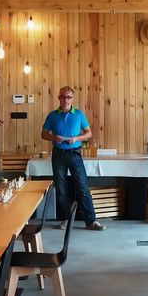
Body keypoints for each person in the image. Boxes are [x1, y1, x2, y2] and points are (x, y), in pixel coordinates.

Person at [41, 86, 106, 230]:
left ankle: (91, 221)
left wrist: (77, 138)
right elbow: (43, 134)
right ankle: (66, 219)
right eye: (63, 97)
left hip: (75, 154)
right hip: (58, 154)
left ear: (72, 99)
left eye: (69, 97)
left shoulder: (79, 114)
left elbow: (88, 133)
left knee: (83, 187)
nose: (66, 100)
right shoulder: (52, 115)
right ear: (59, 98)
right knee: (61, 189)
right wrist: (54, 137)